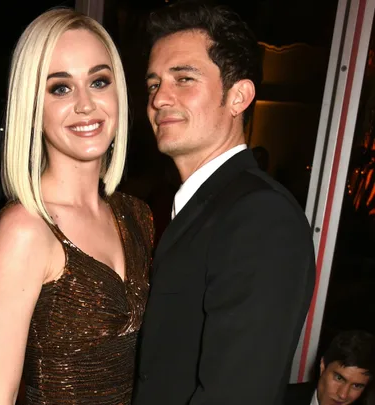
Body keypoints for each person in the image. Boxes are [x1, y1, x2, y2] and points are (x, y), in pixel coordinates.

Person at [133, 2, 316, 405]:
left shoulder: (261, 218)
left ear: (239, 96)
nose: (160, 98)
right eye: (153, 84)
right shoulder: (202, 206)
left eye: (183, 79)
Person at [0, 8, 154, 405]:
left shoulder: (138, 216)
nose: (86, 104)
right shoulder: (25, 230)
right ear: (32, 106)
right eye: (60, 88)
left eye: (99, 81)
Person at [285, 330, 375, 405]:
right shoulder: (278, 398)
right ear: (323, 366)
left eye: (356, 386)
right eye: (339, 378)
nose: (343, 395)